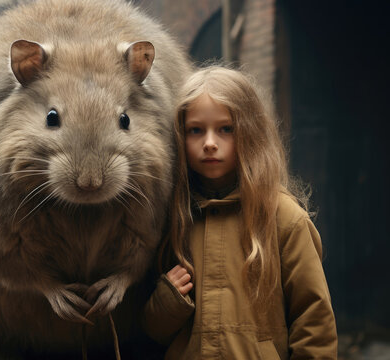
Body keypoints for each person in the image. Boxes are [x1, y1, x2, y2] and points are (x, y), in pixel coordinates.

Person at [142, 66, 337, 359]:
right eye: (196, 130)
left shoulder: (282, 217)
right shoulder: (174, 216)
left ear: (249, 131)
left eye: (225, 129)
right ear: (179, 137)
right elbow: (149, 332)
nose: (209, 143)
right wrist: (167, 302)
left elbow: (314, 321)